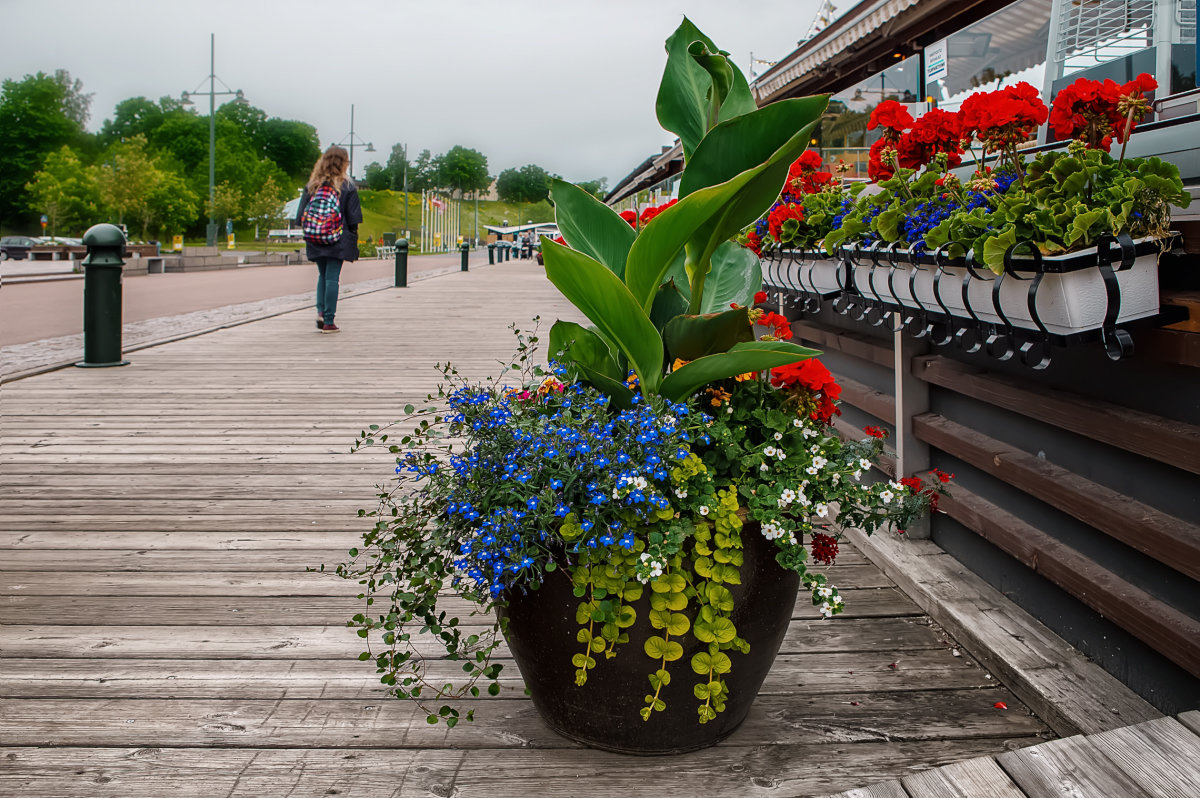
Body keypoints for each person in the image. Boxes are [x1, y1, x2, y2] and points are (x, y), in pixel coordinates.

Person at [295, 146, 362, 333]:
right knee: (332, 278)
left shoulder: (312, 186)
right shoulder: (347, 186)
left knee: (322, 276)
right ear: (344, 163)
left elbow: (300, 216)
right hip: (337, 238)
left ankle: (320, 312)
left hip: (315, 238)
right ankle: (329, 321)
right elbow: (354, 218)